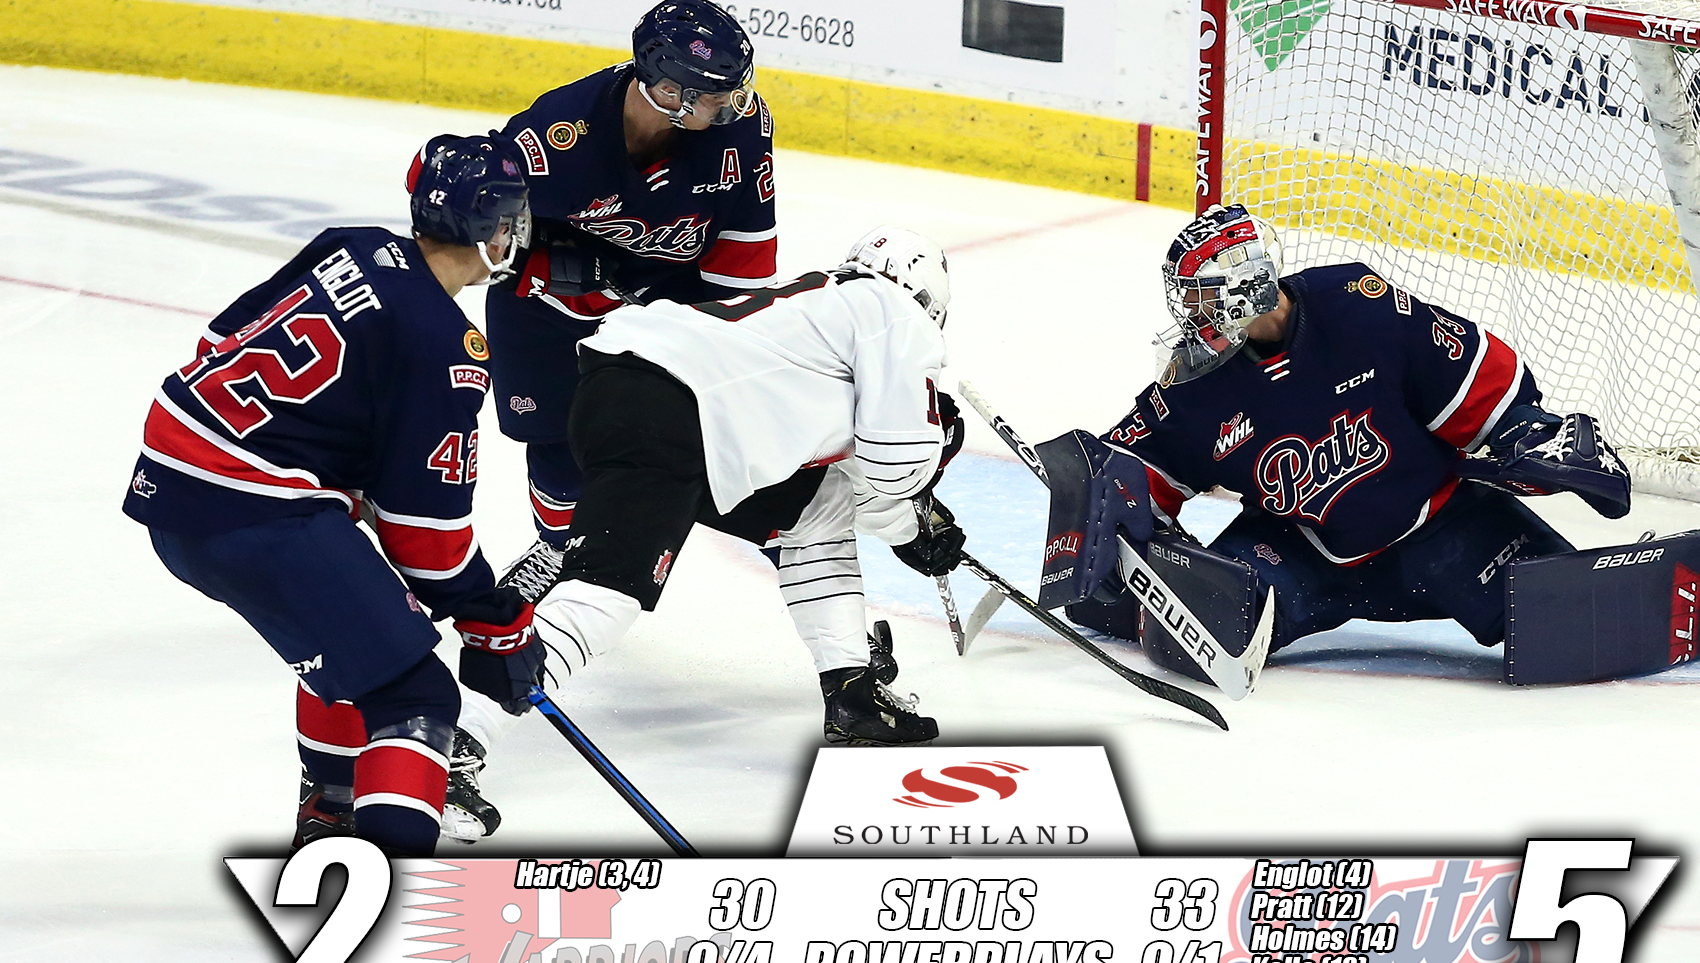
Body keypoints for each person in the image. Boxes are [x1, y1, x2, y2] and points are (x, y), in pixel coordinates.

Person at [123, 135, 548, 853]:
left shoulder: (351, 245)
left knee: (359, 640)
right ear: (488, 225)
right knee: (416, 697)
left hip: (173, 484)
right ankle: (382, 893)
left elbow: (220, 341)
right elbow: (427, 536)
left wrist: (323, 461)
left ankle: (334, 811)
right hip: (257, 511)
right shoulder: (447, 347)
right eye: (511, 219)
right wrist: (493, 622)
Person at [1041, 203, 1632, 666]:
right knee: (1196, 630)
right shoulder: (1196, 383)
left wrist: (1529, 436)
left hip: (1446, 525)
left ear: (1246, 287)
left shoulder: (1358, 306)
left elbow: (1474, 379)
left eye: (1202, 298)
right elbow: (1130, 468)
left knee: (1582, 618)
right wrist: (1115, 531)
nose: (1192, 316)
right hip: (1300, 550)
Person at [525, 225, 968, 745]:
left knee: (818, 510)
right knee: (604, 598)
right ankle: (464, 729)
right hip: (672, 411)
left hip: (645, 395)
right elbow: (895, 464)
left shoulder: (825, 312)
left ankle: (852, 692)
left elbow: (852, 475)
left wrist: (908, 526)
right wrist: (924, 485)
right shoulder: (894, 312)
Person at [485, 0, 779, 598]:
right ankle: (560, 550)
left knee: (706, 429)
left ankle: (800, 552)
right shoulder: (555, 138)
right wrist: (559, 264)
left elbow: (746, 246)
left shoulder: (740, 130)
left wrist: (734, 339)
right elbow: (480, 232)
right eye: (714, 94)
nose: (733, 104)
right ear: (667, 92)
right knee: (554, 436)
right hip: (550, 308)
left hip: (668, 301)